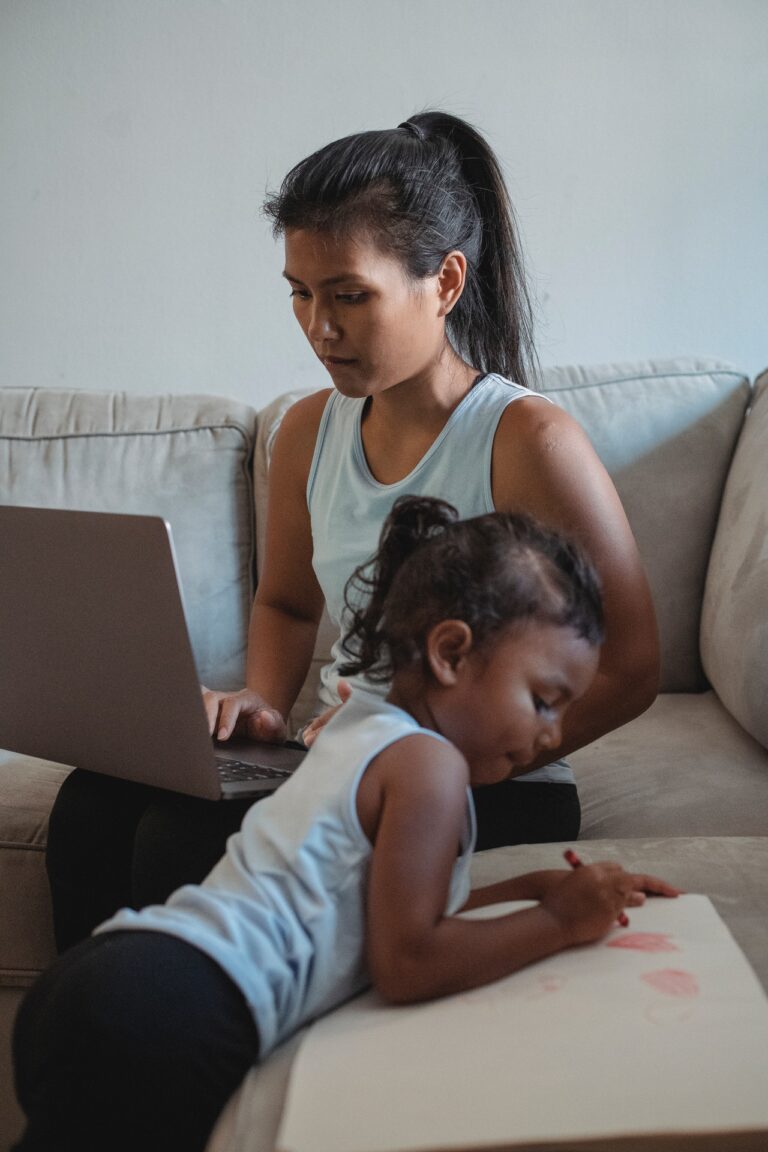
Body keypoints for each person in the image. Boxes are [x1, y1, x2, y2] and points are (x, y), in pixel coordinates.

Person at [45, 111, 659, 952]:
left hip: (483, 776)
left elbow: (633, 664)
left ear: (443, 283)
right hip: (340, 755)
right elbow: (290, 603)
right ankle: (100, 1052)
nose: (318, 327)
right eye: (300, 293)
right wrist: (261, 699)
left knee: (180, 843)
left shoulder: (529, 442)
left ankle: (205, 1064)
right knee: (92, 800)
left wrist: (472, 754)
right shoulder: (308, 432)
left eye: (349, 296)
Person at [13, 497, 678, 1152]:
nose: (553, 734)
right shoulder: (430, 767)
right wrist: (561, 923)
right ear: (451, 652)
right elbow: (409, 962)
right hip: (178, 1014)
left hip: (118, 972)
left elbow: (382, 915)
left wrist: (536, 889)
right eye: (543, 700)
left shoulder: (360, 728)